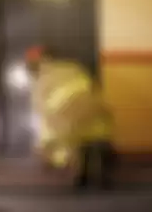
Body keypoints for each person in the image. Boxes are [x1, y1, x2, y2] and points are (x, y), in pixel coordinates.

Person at [26, 46, 116, 189]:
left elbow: (41, 104)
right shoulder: (73, 69)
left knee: (82, 150)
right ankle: (93, 177)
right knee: (92, 149)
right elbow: (90, 89)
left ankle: (84, 177)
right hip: (91, 117)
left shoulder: (45, 77)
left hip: (74, 120)